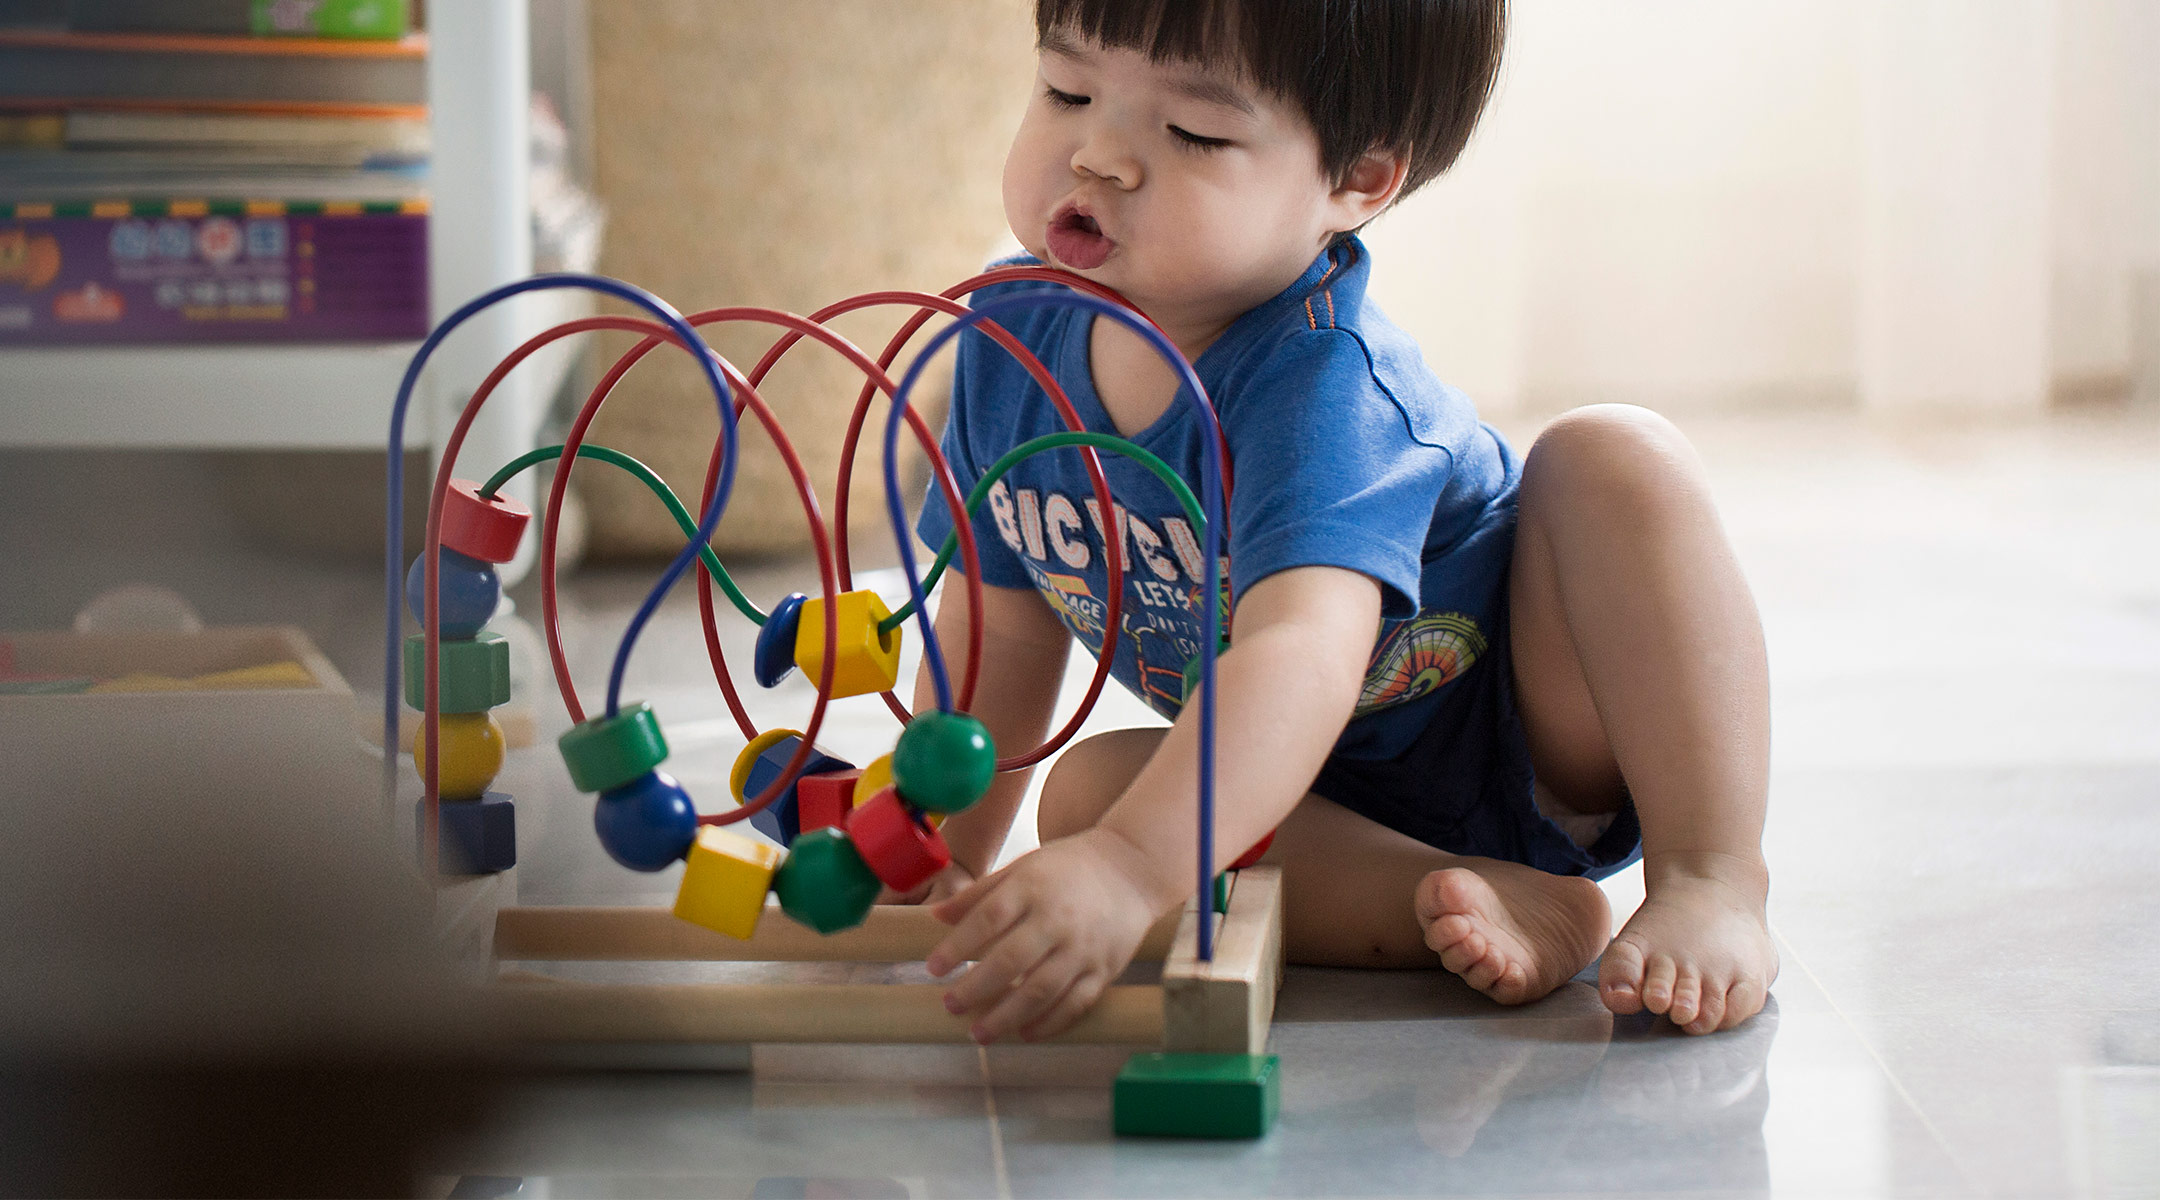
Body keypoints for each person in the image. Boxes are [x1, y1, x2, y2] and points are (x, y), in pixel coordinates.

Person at [906, 0, 1778, 1044]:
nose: (1099, 155)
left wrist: (1139, 867)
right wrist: (943, 848)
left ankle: (1713, 875)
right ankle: (1472, 892)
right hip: (1314, 801)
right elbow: (1001, 627)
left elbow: (1301, 654)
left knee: (1614, 460)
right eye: (1067, 91)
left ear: (1355, 181)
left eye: (1195, 134)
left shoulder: (1317, 385)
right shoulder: (1010, 346)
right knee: (1089, 803)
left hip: (1537, 709)